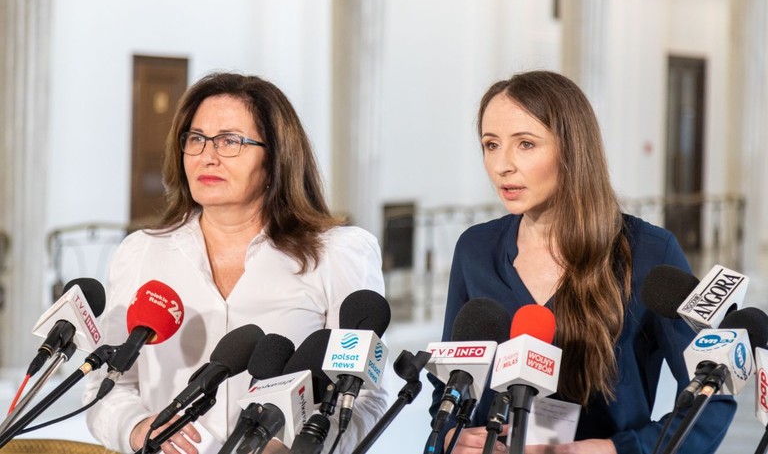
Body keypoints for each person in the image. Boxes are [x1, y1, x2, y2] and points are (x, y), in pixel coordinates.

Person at [429, 70, 735, 454]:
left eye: (526, 144)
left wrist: (616, 449)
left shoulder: (652, 252)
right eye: (491, 144)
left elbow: (713, 400)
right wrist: (451, 436)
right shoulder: (475, 249)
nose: (502, 165)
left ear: (572, 149)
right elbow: (451, 385)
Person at [83, 72, 387, 454]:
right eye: (196, 139)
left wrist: (301, 447)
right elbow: (107, 386)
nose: (207, 156)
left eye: (230, 141)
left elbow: (365, 398)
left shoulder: (338, 253)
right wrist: (136, 427)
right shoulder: (142, 252)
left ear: (275, 157)